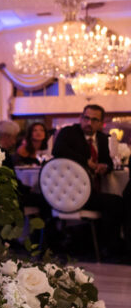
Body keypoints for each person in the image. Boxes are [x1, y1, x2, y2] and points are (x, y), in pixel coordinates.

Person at [51, 104, 128, 252]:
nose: (89, 123)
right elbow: (58, 150)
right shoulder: (69, 133)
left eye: (94, 120)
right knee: (115, 202)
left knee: (117, 201)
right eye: (86, 118)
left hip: (93, 191)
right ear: (80, 118)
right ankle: (111, 247)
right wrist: (86, 161)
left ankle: (103, 244)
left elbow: (109, 162)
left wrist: (105, 167)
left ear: (100, 123)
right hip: (72, 193)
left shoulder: (103, 138)